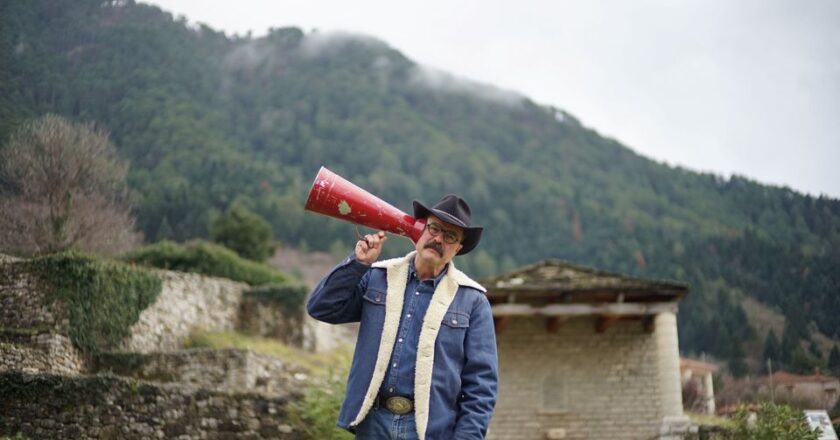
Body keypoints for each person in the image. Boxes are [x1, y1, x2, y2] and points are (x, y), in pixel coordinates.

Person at [307, 194, 498, 440]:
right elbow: (321, 307)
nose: (438, 238)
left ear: (458, 248)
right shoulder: (378, 276)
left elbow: (481, 386)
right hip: (372, 423)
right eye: (434, 228)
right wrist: (358, 264)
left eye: (450, 236)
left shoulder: (473, 301)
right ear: (420, 230)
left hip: (432, 431)